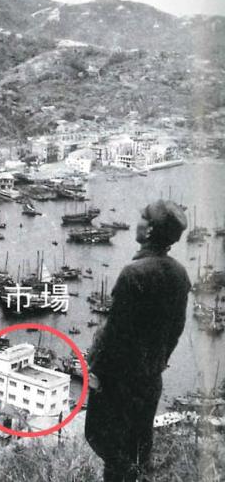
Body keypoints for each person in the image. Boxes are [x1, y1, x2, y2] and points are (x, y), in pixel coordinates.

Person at [85, 199, 191, 482]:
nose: (138, 221)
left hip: (119, 382)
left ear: (151, 230)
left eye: (144, 217)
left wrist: (95, 371)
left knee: (113, 455)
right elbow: (176, 331)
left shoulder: (134, 274)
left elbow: (115, 334)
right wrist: (157, 363)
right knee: (137, 453)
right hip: (150, 379)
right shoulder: (180, 274)